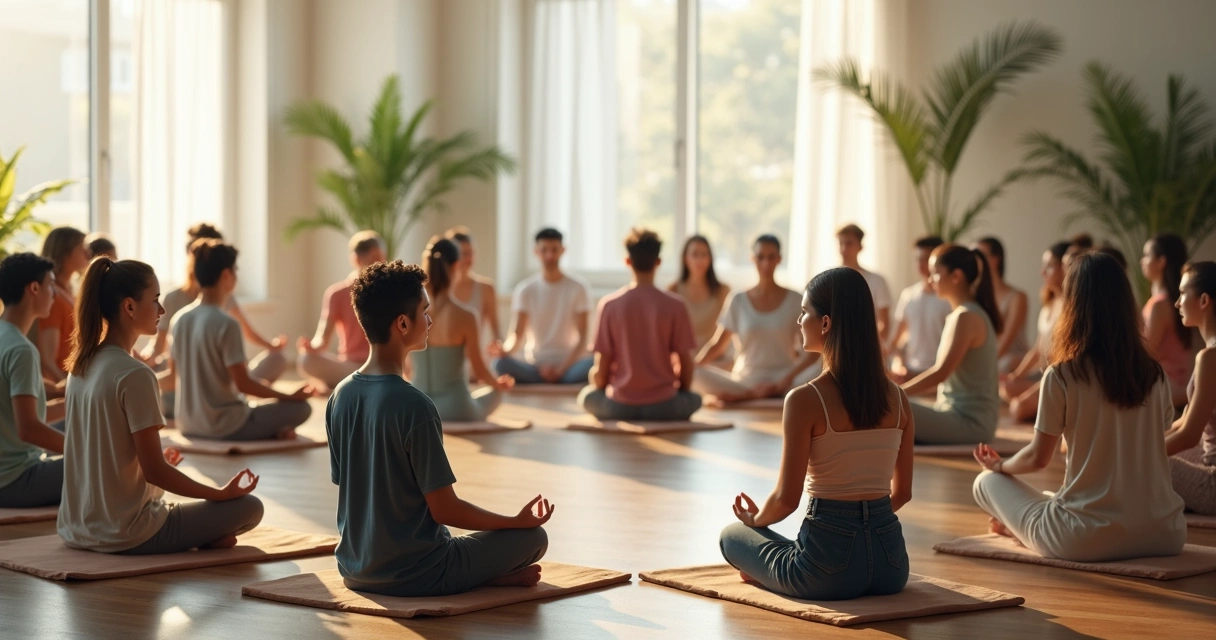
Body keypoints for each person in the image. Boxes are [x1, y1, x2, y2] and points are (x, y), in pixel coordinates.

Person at [328, 260, 551, 596]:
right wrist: (513, 521)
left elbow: (351, 490)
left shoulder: (339, 395)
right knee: (533, 538)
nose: (430, 320)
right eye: (425, 311)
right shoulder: (415, 405)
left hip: (354, 570)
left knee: (473, 543)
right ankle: (479, 575)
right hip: (418, 573)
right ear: (403, 323)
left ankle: (482, 575)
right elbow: (446, 509)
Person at [972, 251, 1186, 562]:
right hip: (1165, 533)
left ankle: (1021, 529)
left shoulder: (1062, 375)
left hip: (1084, 539)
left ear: (1073, 304)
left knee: (986, 483)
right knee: (1051, 498)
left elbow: (1037, 458)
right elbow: (1162, 437)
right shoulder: (1155, 375)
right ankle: (1026, 525)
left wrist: (1000, 466)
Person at [720, 267, 914, 600]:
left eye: (804, 313)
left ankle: (765, 570)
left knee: (732, 535)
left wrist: (755, 521)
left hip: (826, 574)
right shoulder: (899, 398)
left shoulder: (804, 399)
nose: (799, 321)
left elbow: (785, 500)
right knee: (782, 543)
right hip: (892, 568)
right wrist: (866, 521)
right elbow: (903, 493)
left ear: (825, 323)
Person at [57, 258, 264, 554]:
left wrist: (153, 468)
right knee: (249, 507)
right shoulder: (136, 374)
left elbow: (110, 453)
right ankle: (203, 534)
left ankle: (202, 534)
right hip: (127, 532)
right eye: (155, 300)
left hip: (75, 528)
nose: (162, 310)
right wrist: (219, 493)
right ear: (129, 307)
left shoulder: (79, 367)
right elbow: (156, 472)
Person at [169, 240, 313, 440]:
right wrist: (289, 396)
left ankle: (271, 428)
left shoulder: (180, 319)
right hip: (226, 425)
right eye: (236, 270)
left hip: (188, 424)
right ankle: (272, 430)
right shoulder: (226, 323)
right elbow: (244, 384)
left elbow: (172, 377)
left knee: (260, 402)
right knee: (302, 408)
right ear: (226, 275)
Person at [578, 229, 702, 421]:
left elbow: (601, 372)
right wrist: (681, 393)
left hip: (620, 406)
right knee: (695, 399)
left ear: (627, 261)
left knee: (586, 397)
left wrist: (600, 386)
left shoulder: (609, 305)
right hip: (665, 406)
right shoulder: (675, 305)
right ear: (658, 262)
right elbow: (687, 365)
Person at [143, 223, 287, 383]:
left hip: (217, 382)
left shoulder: (221, 307)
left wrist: (270, 345)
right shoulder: (175, 303)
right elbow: (160, 346)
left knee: (276, 360)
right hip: (184, 376)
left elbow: (247, 331)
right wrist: (147, 360)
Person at [693, 235, 818, 404]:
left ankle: (760, 395)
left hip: (786, 380)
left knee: (823, 366)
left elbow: (813, 353)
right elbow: (717, 345)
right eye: (760, 257)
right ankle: (750, 395)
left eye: (771, 257)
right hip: (746, 381)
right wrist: (691, 368)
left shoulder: (796, 300)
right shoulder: (738, 299)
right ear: (752, 259)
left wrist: (785, 381)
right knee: (695, 374)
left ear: (779, 259)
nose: (765, 263)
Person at [902, 245, 1003, 445]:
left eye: (935, 274)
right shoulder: (962, 314)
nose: (930, 280)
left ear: (956, 276)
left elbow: (941, 373)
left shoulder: (966, 317)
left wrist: (895, 394)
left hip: (970, 424)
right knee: (891, 406)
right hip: (953, 415)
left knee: (888, 407)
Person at [410, 237, 512, 421]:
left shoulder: (411, 312)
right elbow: (479, 369)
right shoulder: (466, 316)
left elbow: (405, 367)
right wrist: (498, 384)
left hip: (417, 405)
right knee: (496, 393)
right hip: (456, 408)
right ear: (457, 265)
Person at [0, 253, 66, 508]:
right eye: (51, 285)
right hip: (14, 480)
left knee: (81, 426)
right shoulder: (21, 349)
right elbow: (28, 428)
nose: (56, 294)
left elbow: (17, 416)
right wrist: (86, 450)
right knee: (109, 462)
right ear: (34, 288)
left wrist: (71, 402)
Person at [493, 228, 594, 385]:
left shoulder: (578, 287)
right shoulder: (525, 289)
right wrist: (504, 350)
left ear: (562, 250)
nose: (549, 256)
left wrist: (562, 369)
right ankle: (551, 379)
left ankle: (559, 378)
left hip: (570, 365)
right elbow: (516, 335)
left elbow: (583, 338)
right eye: (544, 250)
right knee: (500, 364)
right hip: (535, 365)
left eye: (554, 250)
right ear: (536, 252)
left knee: (596, 362)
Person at [297, 231, 385, 390]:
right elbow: (322, 338)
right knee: (306, 360)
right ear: (356, 259)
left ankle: (344, 386)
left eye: (381, 257)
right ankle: (352, 383)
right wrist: (312, 347)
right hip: (350, 366)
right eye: (373, 258)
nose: (379, 263)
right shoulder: (337, 294)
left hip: (380, 366)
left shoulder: (390, 291)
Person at [1165, 261, 1216, 515]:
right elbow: (1183, 422)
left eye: (1183, 293)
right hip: (1207, 458)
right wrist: (1136, 442)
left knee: (1132, 465)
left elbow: (1189, 436)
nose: (1177, 303)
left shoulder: (1210, 358)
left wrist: (1133, 454)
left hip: (1213, 483)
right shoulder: (1208, 354)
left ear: (1204, 300)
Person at [1001, 241, 1070, 422]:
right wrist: (1016, 376)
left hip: (1058, 377)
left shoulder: (1071, 307)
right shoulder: (1048, 304)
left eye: (1049, 266)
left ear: (1064, 268)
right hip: (1043, 373)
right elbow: (1038, 349)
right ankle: (1050, 410)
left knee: (1018, 409)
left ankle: (1053, 409)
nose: (1042, 272)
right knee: (1005, 387)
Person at [1140, 234, 1196, 406]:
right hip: (1178, 387)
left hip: (1166, 391)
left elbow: (1146, 353)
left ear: (1161, 261)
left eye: (1147, 255)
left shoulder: (1160, 305)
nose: (1142, 261)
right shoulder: (1169, 301)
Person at [889, 236, 952, 381]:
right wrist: (899, 365)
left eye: (926, 259)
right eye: (918, 259)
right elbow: (896, 342)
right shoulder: (908, 295)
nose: (921, 265)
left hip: (939, 374)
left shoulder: (949, 299)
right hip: (910, 372)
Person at [34, 226, 90, 382]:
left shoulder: (69, 292)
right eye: (81, 248)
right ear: (65, 253)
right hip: (64, 387)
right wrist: (71, 390)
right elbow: (48, 362)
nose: (87, 253)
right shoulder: (53, 299)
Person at [668, 235, 731, 360]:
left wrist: (703, 361)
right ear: (686, 258)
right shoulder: (673, 290)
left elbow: (728, 335)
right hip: (684, 361)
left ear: (710, 259)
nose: (699, 260)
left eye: (704, 255)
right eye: (695, 254)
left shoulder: (723, 290)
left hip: (715, 360)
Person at [445, 227, 503, 362]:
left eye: (470, 253)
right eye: (462, 254)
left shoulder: (487, 288)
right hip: (445, 363)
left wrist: (498, 349)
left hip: (475, 363)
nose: (466, 259)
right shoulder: (438, 289)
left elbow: (497, 332)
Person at [976, 237, 1029, 374]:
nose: (975, 261)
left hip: (1011, 358)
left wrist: (981, 366)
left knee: (1002, 365)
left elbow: (1007, 340)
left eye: (980, 255)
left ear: (995, 260)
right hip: (985, 357)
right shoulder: (975, 297)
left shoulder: (1017, 297)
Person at [836, 224, 892, 341]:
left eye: (849, 243)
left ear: (860, 247)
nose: (844, 249)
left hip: (866, 349)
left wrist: (867, 346)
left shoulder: (877, 281)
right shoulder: (829, 281)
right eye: (841, 243)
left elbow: (884, 323)